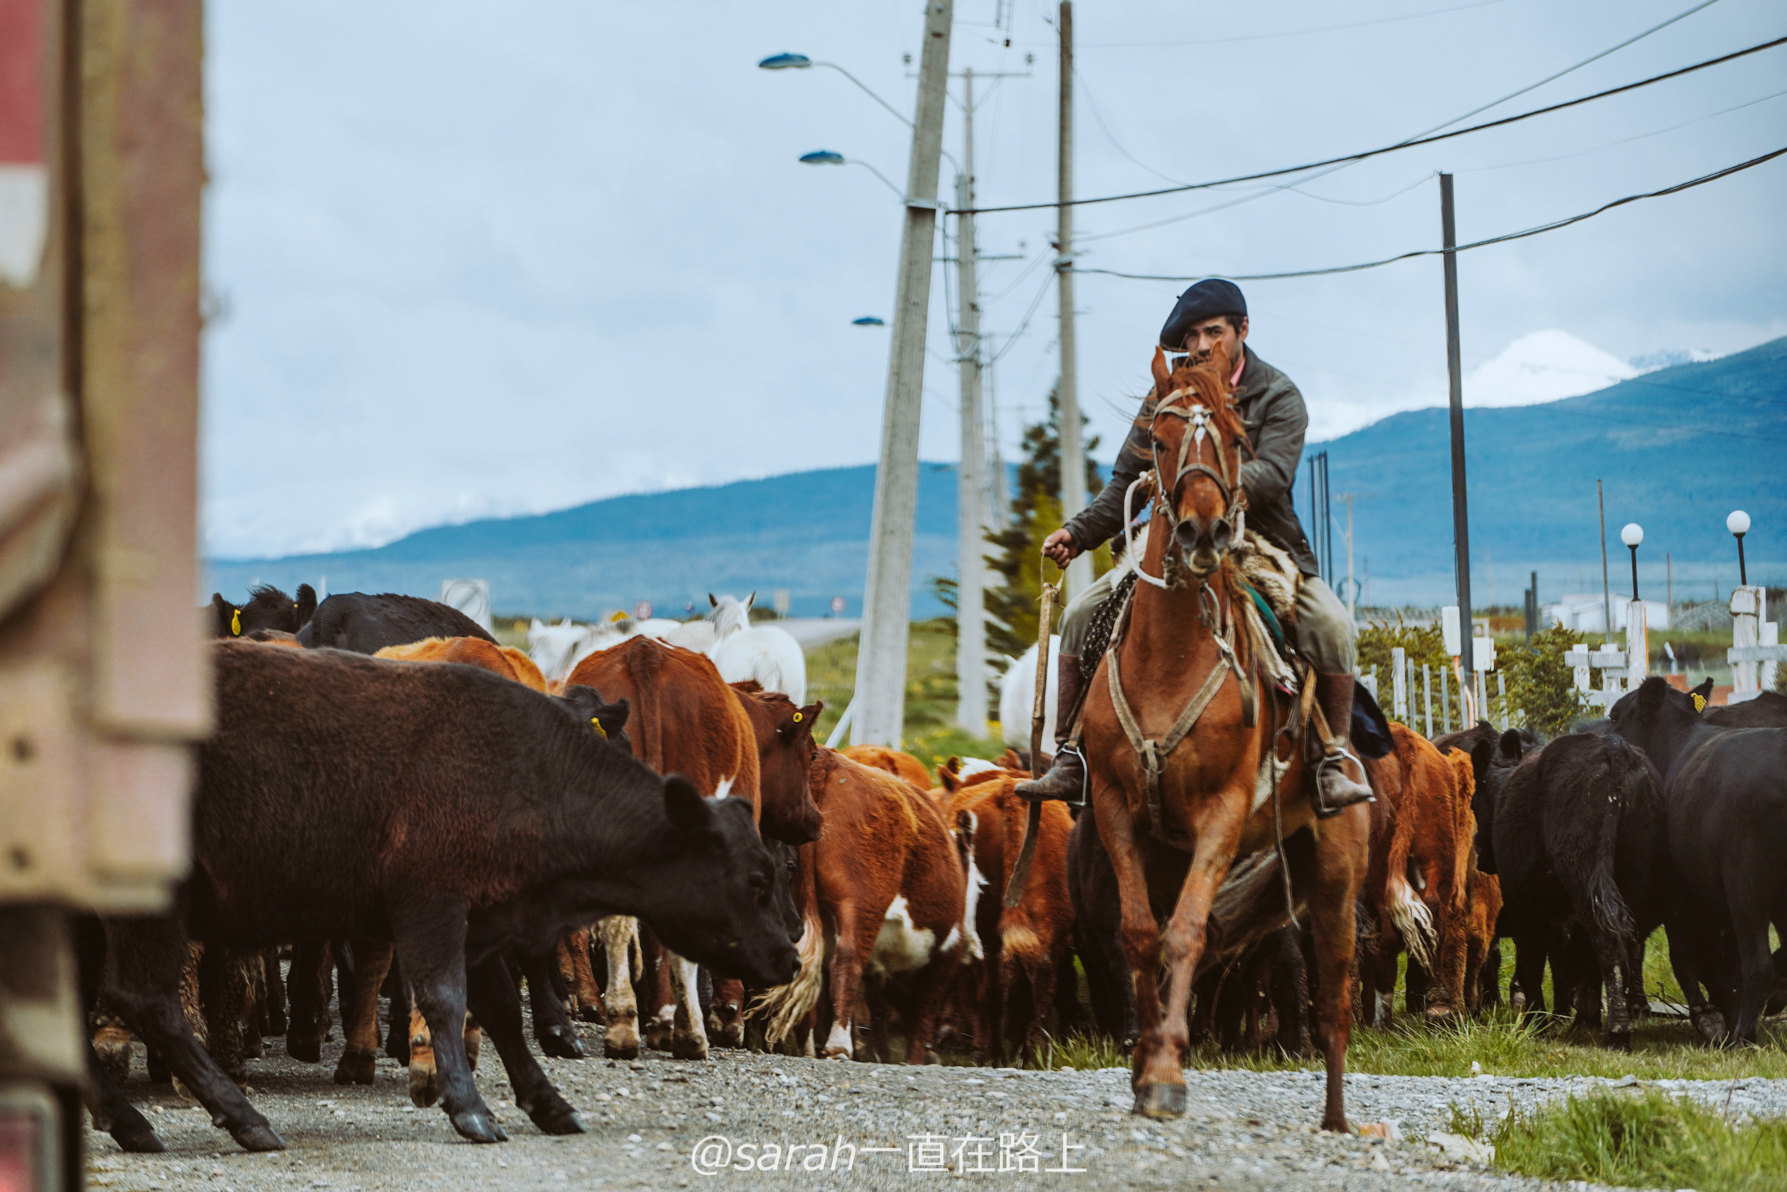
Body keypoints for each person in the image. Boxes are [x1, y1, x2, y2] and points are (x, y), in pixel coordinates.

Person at [1014, 278, 1373, 817]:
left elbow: (1273, 474)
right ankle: (1072, 756)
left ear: (1242, 330)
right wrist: (1079, 532)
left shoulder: (1278, 394)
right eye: (1192, 336)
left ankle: (1330, 759)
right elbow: (1125, 482)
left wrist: (1201, 483)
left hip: (1259, 542)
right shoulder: (1167, 395)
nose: (1202, 345)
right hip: (1170, 539)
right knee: (1082, 612)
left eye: (1214, 331)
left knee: (1332, 624)